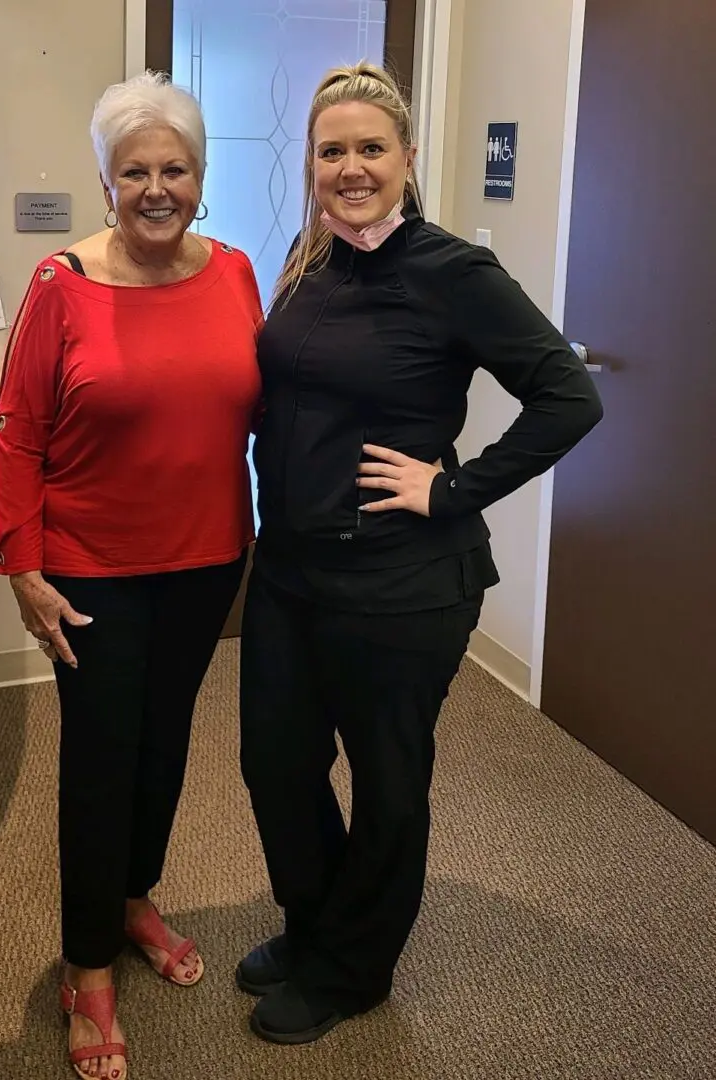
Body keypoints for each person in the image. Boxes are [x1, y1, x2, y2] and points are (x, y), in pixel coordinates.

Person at [237, 62, 603, 1045]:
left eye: (370, 149)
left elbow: (572, 397)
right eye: (332, 151)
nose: (350, 168)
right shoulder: (309, 262)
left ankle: (353, 969)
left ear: (404, 158)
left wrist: (452, 487)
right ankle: (315, 924)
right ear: (311, 164)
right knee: (275, 762)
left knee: (387, 781)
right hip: (288, 571)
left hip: (401, 582)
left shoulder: (453, 271)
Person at [0, 71, 262, 1079]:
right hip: (91, 572)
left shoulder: (234, 272)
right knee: (102, 759)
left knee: (166, 742)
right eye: (134, 170)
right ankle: (88, 965)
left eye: (174, 168)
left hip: (207, 561)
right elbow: (16, 430)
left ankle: (134, 893)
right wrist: (18, 563)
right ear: (107, 185)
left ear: (200, 176)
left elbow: (260, 405)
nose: (156, 186)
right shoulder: (63, 284)